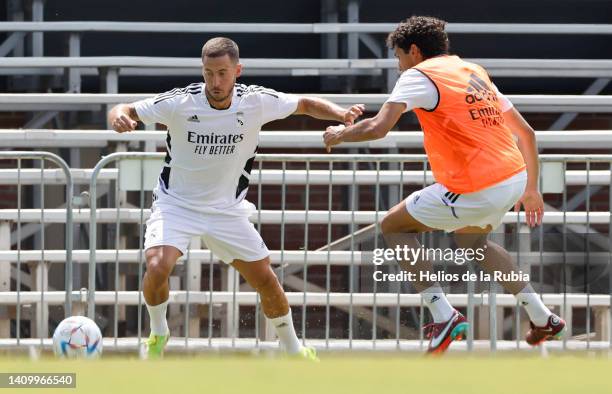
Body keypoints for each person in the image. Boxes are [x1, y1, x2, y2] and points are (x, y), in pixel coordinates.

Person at [108, 37, 364, 359]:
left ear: (237, 71)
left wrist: (341, 114)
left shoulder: (256, 101)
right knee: (157, 266)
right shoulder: (181, 102)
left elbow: (303, 103)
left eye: (223, 73)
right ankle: (158, 333)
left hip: (227, 211)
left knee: (267, 281)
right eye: (209, 73)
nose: (215, 82)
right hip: (176, 205)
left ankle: (295, 350)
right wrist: (118, 116)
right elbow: (125, 108)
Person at [323, 16, 565, 354]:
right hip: (513, 178)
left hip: (476, 185)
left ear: (415, 51)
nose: (398, 65)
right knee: (473, 243)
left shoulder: (417, 75)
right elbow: (527, 133)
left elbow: (378, 128)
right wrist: (532, 189)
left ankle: (443, 313)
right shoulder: (472, 72)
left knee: (394, 225)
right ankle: (542, 317)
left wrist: (339, 134)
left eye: (399, 56)